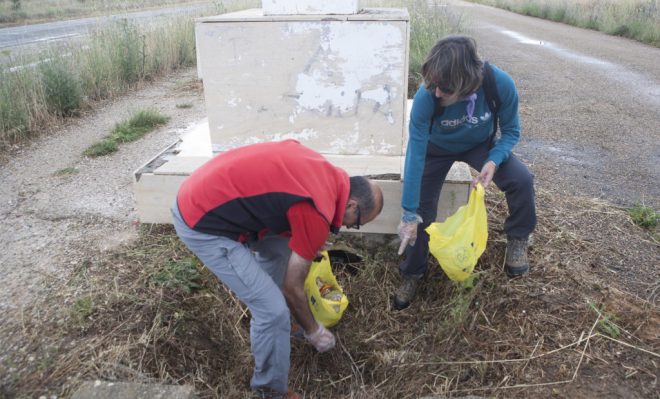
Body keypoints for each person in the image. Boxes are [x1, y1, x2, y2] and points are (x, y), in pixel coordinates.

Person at [171, 139, 383, 398]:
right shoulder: (317, 211)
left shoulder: (324, 173)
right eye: (358, 223)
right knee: (272, 311)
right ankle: (270, 389)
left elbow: (283, 201)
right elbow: (293, 288)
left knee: (283, 250)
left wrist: (307, 238)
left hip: (206, 191)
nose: (352, 227)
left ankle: (278, 327)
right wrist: (314, 330)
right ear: (352, 205)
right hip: (202, 221)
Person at [394, 35, 537, 310]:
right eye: (434, 85)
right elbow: (415, 154)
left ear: (466, 82)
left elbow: (511, 132)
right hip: (436, 149)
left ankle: (518, 238)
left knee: (521, 179)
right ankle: (413, 272)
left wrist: (494, 160)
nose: (437, 92)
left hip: (479, 145)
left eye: (445, 88)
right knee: (422, 212)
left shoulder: (499, 84)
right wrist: (408, 212)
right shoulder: (428, 95)